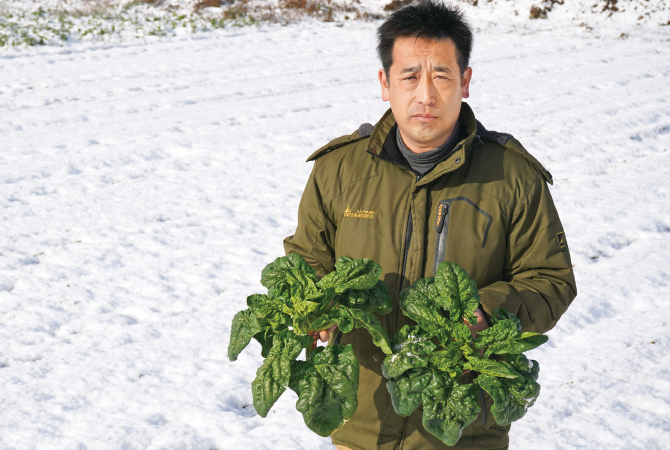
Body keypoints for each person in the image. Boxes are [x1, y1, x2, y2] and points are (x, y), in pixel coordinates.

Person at [283, 1, 577, 449]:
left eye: (441, 76)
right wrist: (315, 307)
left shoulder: (512, 178)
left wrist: (487, 313)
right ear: (385, 84)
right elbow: (307, 259)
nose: (425, 95)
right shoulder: (338, 170)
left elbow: (550, 280)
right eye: (409, 77)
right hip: (362, 427)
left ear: (465, 81)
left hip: (462, 429)